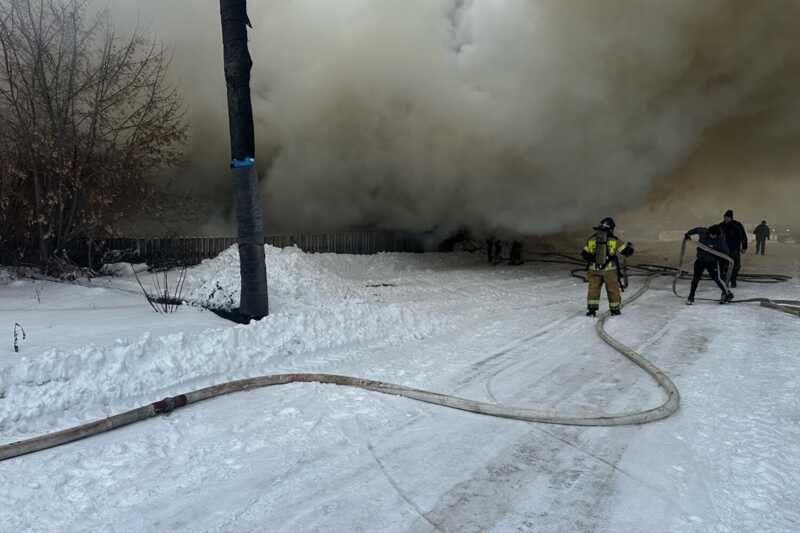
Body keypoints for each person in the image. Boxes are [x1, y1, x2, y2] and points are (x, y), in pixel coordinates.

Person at [581, 217, 634, 317]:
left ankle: (592, 311)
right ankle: (615, 310)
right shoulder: (614, 241)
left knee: (593, 289)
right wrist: (630, 247)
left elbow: (584, 254)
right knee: (613, 289)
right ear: (611, 229)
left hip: (594, 270)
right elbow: (627, 252)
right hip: (610, 271)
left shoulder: (591, 239)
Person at [684, 224, 734, 305]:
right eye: (711, 234)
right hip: (700, 260)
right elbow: (696, 229)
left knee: (717, 278)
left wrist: (715, 256)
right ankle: (691, 297)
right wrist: (688, 233)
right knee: (695, 279)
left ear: (717, 235)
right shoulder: (703, 232)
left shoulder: (720, 240)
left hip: (712, 262)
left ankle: (728, 294)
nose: (712, 236)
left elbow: (725, 253)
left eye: (714, 235)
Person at [719, 209, 747, 287]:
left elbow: (743, 236)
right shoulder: (721, 226)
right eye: (725, 217)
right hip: (723, 250)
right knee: (722, 265)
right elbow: (714, 234)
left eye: (728, 217)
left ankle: (733, 280)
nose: (726, 219)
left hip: (734, 249)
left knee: (735, 266)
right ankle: (724, 280)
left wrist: (744, 247)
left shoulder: (737, 225)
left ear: (731, 218)